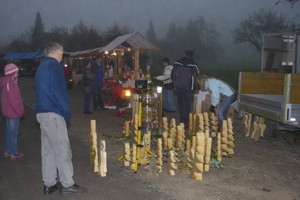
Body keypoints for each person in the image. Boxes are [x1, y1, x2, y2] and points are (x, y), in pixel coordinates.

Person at [35, 42, 86, 195]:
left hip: (42, 112)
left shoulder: (41, 66)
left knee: (48, 150)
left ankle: (49, 184)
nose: (62, 56)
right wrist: (66, 113)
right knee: (62, 149)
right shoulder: (54, 66)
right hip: (53, 112)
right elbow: (60, 92)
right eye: (62, 52)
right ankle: (67, 184)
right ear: (56, 52)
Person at [0, 63, 24, 160]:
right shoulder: (11, 83)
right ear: (12, 73)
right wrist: (19, 111)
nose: (18, 74)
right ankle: (13, 153)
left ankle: (7, 150)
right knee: (13, 132)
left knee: (9, 131)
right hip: (13, 112)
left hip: (8, 111)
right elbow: (14, 100)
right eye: (16, 72)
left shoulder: (6, 81)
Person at [172, 50, 199, 128]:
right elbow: (196, 77)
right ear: (192, 55)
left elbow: (173, 75)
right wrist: (196, 88)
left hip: (178, 87)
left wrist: (174, 84)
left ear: (184, 54)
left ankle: (181, 121)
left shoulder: (177, 63)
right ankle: (186, 122)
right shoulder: (194, 65)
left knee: (180, 105)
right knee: (186, 105)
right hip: (188, 88)